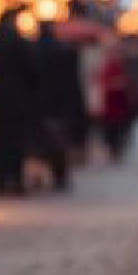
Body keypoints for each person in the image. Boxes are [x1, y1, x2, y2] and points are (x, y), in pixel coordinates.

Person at [0, 9, 40, 195]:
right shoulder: (20, 42)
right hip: (17, 100)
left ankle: (0, 181)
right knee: (16, 142)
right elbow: (32, 72)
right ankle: (15, 180)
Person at [33, 21, 84, 191]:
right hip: (60, 103)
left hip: (40, 102)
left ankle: (40, 175)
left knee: (40, 142)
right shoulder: (63, 51)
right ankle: (59, 175)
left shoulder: (34, 51)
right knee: (58, 141)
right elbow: (72, 80)